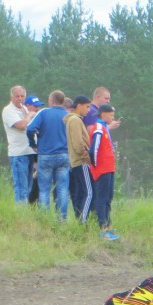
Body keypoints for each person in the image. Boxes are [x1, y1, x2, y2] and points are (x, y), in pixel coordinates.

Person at [26, 91, 71, 219]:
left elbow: (30, 129)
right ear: (62, 101)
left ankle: (44, 219)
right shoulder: (68, 116)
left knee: (44, 189)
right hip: (63, 155)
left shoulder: (44, 113)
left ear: (51, 101)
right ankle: (62, 219)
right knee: (62, 189)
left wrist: (33, 143)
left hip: (45, 155)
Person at [89, 104, 119, 240]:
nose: (113, 118)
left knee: (108, 197)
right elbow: (93, 148)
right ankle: (102, 228)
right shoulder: (99, 128)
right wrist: (95, 165)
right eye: (111, 115)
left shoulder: (105, 128)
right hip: (102, 169)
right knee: (101, 198)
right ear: (103, 114)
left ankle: (108, 225)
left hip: (109, 168)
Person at [1, 86, 36, 203]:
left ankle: (26, 214)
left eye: (22, 96)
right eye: (17, 96)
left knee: (29, 187)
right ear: (12, 97)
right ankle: (21, 214)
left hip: (30, 151)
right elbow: (21, 125)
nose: (20, 99)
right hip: (18, 153)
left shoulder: (25, 109)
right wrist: (29, 115)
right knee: (21, 188)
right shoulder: (8, 110)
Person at [66, 95, 93, 223]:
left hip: (75, 162)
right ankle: (83, 222)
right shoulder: (75, 121)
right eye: (87, 107)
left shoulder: (72, 120)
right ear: (79, 106)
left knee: (80, 193)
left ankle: (79, 219)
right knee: (89, 193)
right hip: (81, 162)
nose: (89, 110)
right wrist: (87, 157)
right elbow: (78, 143)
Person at [25, 95, 44, 203]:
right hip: (30, 154)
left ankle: (35, 205)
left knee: (38, 184)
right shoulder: (28, 118)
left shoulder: (39, 119)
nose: (37, 109)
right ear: (28, 106)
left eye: (38, 106)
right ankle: (30, 204)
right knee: (32, 183)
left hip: (38, 154)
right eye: (35, 106)